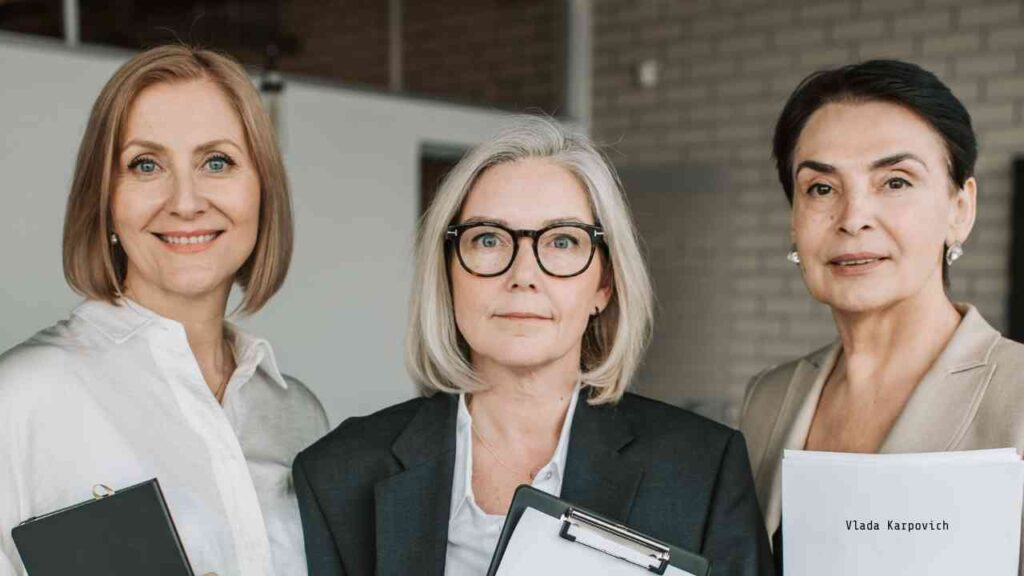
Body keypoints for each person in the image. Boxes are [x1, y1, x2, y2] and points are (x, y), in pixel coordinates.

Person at [293, 115, 773, 576]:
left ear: (604, 284)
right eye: (488, 240)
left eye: (562, 242)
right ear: (448, 275)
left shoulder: (701, 469)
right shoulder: (341, 471)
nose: (523, 275)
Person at [0, 45, 328, 576]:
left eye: (217, 162)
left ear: (262, 191)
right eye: (145, 165)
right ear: (105, 199)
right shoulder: (21, 399)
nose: (185, 201)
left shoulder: (299, 416)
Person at [740, 59, 1024, 572]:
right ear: (793, 222)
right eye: (821, 188)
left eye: (895, 182)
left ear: (960, 209)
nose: (853, 219)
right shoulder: (768, 398)